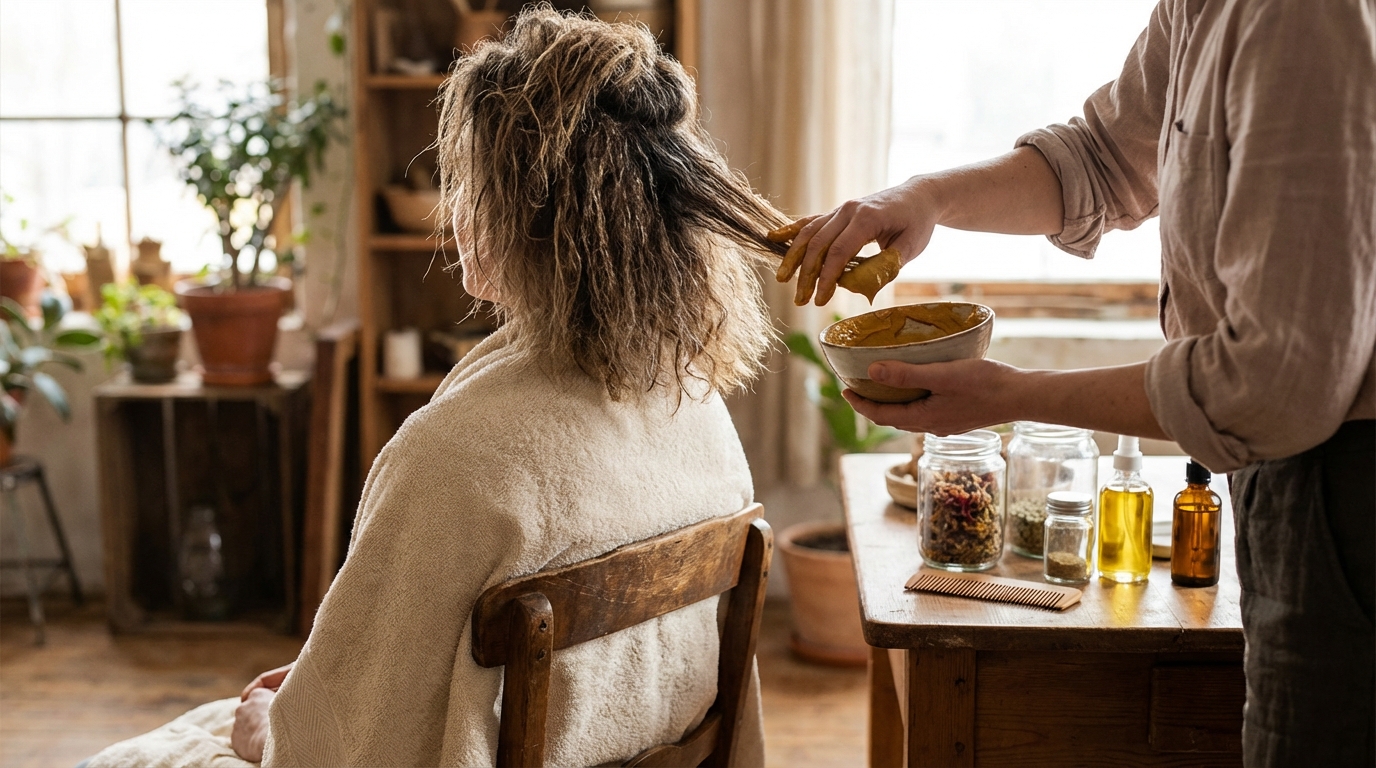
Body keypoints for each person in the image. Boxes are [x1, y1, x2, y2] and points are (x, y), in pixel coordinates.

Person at [86, 8, 790, 767]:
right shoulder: (692, 398)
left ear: (527, 216)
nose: (455, 213)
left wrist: (268, 727)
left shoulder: (455, 458)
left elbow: (344, 746)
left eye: (470, 183)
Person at [777, 0, 1375, 764]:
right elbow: (1101, 157)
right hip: (1276, 473)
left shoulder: (1302, 19)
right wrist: (926, 197)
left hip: (1344, 486)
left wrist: (1015, 396)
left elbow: (1276, 386)